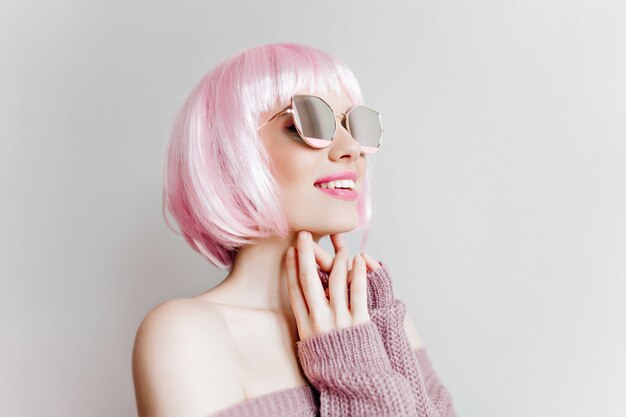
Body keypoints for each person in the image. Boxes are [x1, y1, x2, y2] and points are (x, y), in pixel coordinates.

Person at [132, 42, 457, 417]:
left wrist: (360, 356)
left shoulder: (376, 318)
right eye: (310, 122)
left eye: (355, 126)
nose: (351, 147)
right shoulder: (185, 336)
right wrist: (356, 376)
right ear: (231, 154)